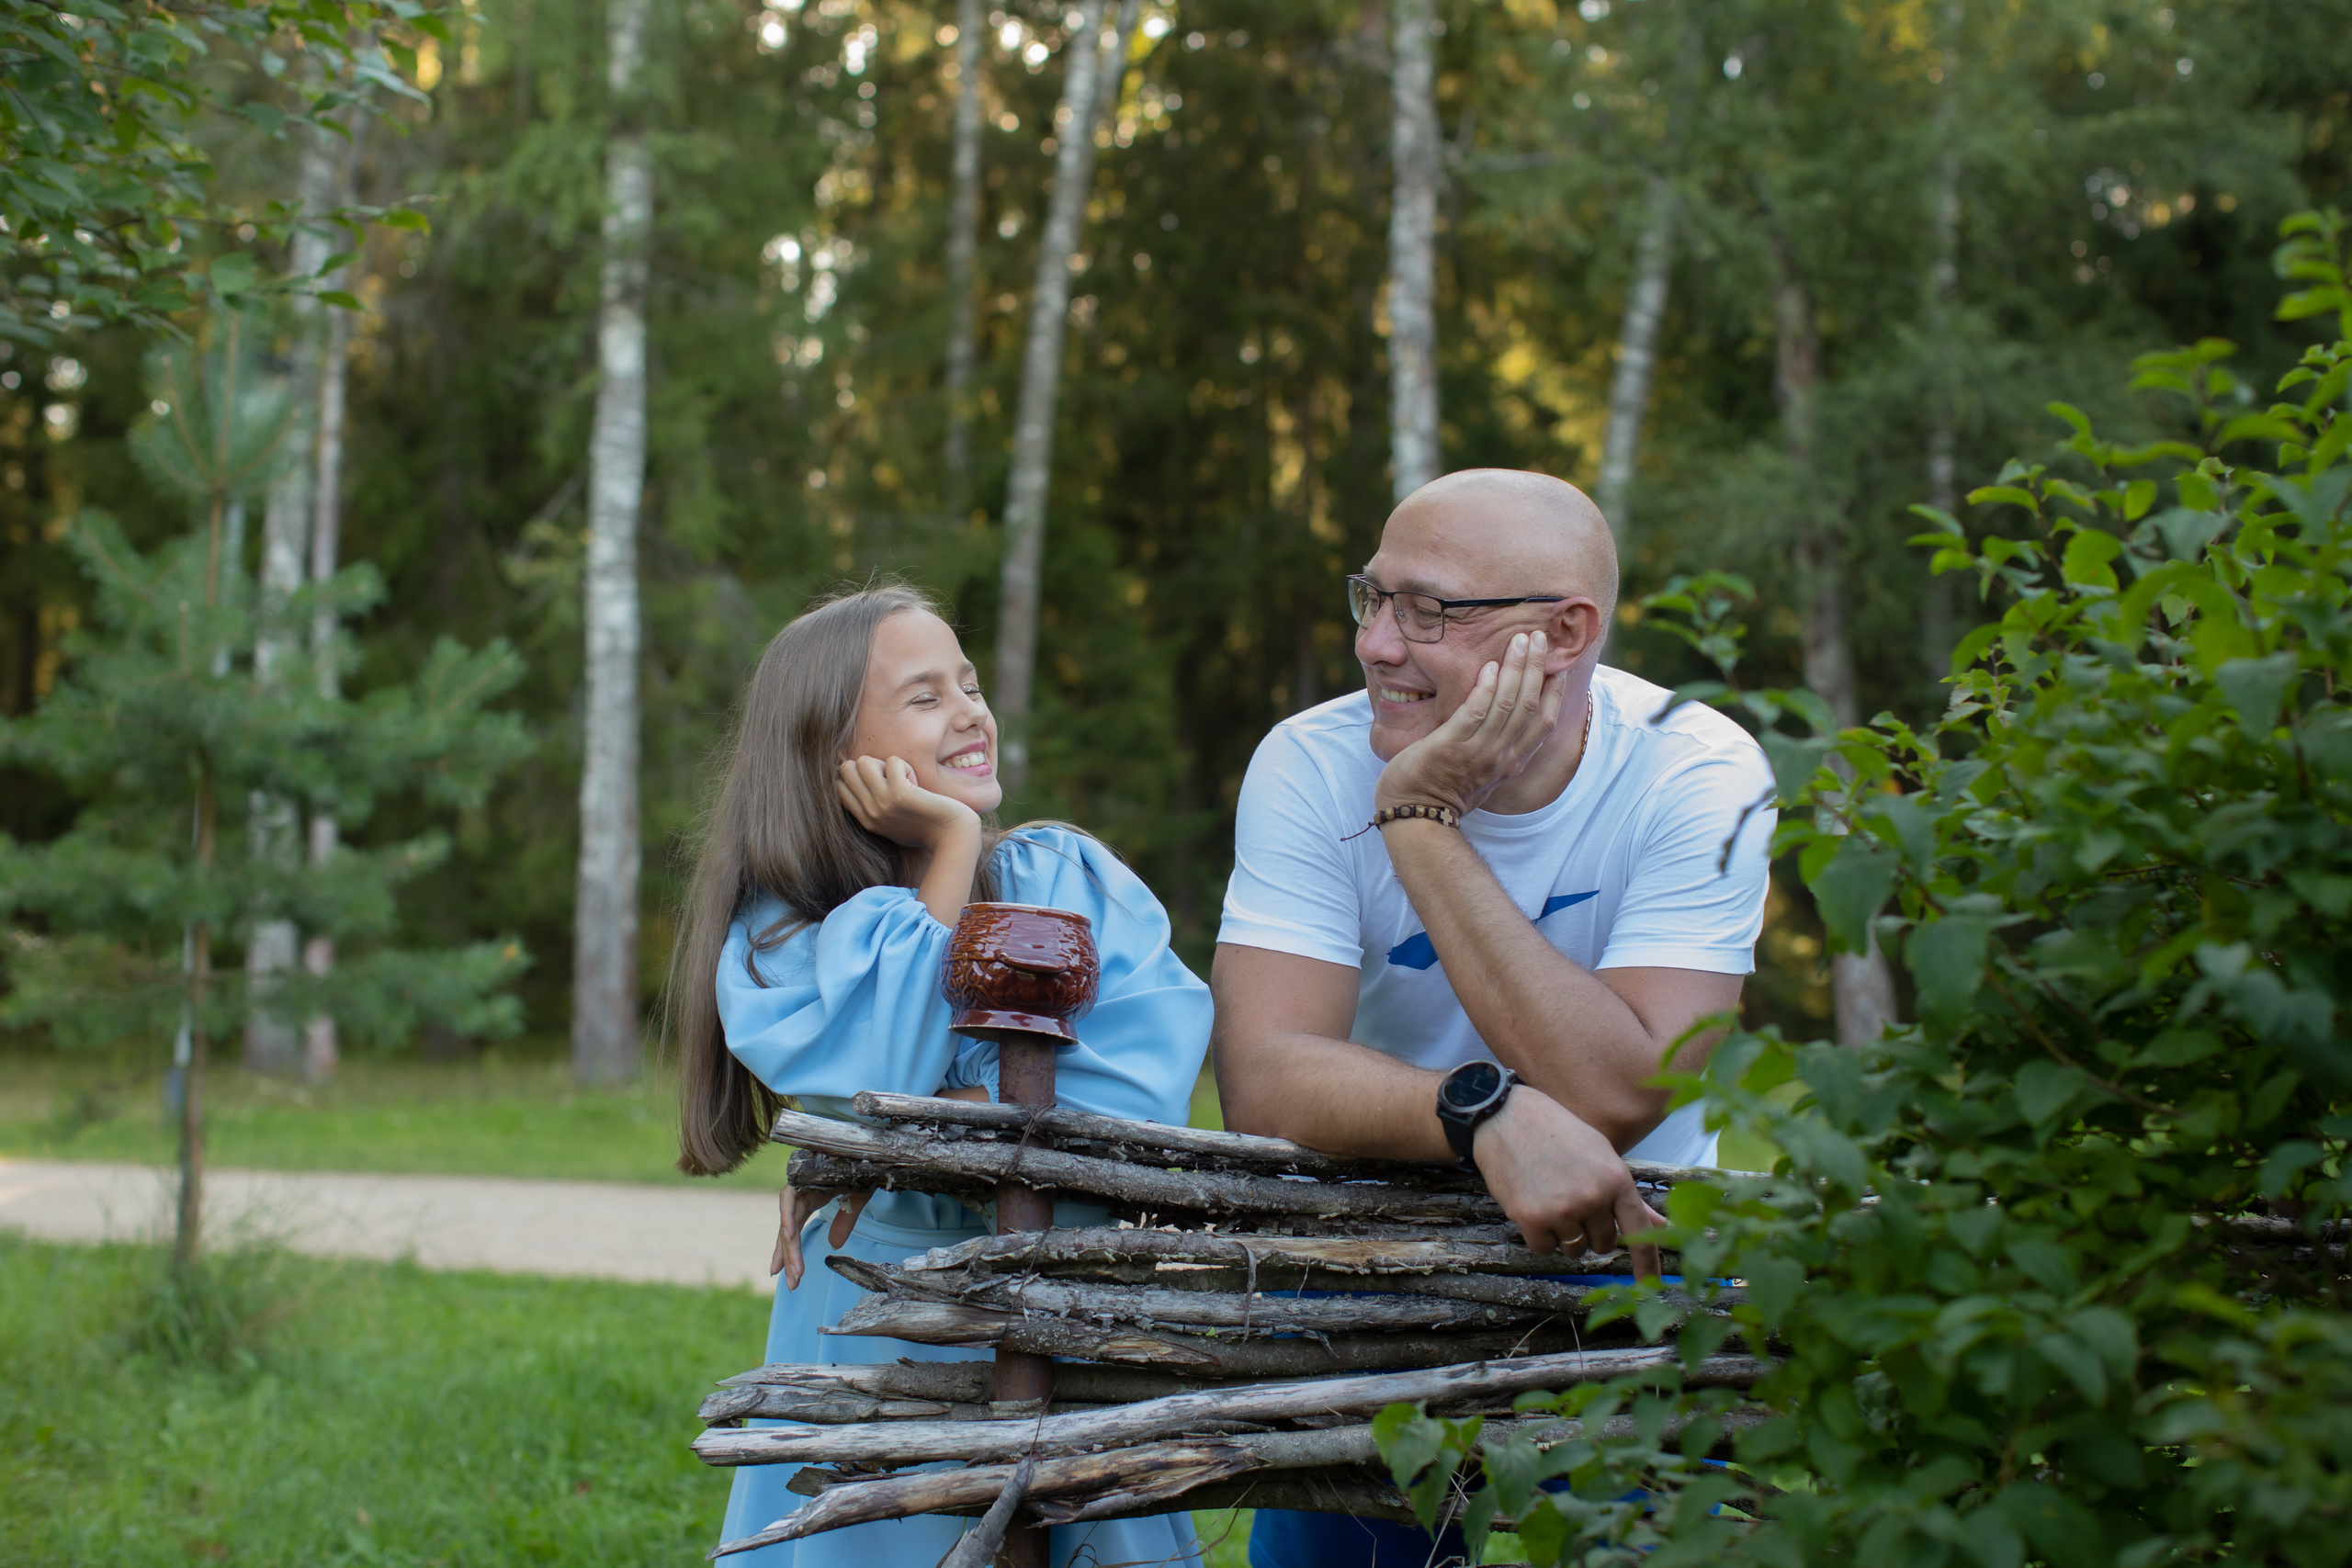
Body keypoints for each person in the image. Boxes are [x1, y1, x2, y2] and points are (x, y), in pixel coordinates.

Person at [1213, 469, 1775, 1567]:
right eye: (1370, 599)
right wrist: (1483, 1113)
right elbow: (1263, 1076)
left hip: (1638, 1263)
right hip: (1364, 1252)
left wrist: (1418, 819)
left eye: (1428, 611)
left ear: (1563, 633)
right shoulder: (1306, 761)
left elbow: (1622, 1093)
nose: (1377, 644)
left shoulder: (1696, 772)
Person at [673, 583, 1210, 1568]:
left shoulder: (1069, 880)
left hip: (1061, 1310)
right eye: (924, 696)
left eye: (969, 682)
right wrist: (951, 848)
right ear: (827, 752)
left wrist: (923, 1131)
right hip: (874, 1324)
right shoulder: (781, 936)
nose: (971, 710)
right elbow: (891, 1073)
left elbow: (1133, 1104)